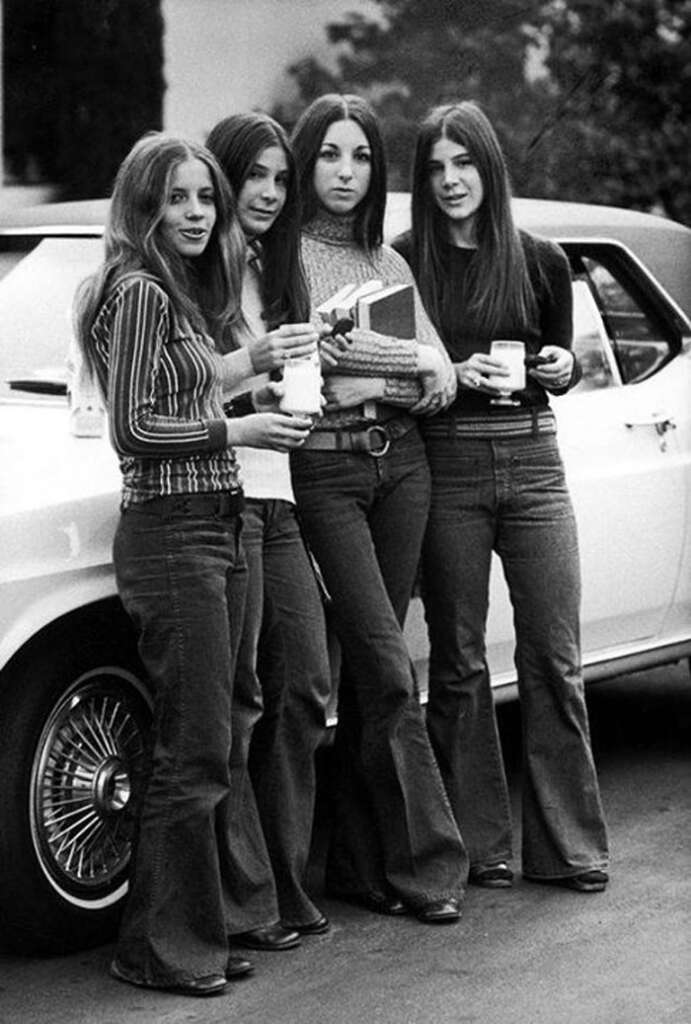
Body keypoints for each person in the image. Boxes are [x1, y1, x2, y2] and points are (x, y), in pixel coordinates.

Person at [74, 132, 314, 996]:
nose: (196, 214)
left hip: (214, 522)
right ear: (143, 206)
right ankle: (159, 950)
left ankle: (191, 936)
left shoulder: (170, 290)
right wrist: (239, 428)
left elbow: (182, 385)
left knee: (207, 743)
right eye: (177, 199)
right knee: (194, 749)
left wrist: (249, 362)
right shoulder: (137, 290)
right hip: (174, 531)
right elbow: (135, 429)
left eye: (204, 199)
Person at [393, 101, 609, 893]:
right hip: (446, 463)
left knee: (553, 655)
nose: (451, 181)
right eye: (436, 169)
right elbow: (392, 375)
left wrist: (560, 368)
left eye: (464, 164)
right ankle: (482, 846)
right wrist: (447, 378)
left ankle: (571, 848)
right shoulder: (402, 260)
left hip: (532, 460)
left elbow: (564, 360)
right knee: (456, 661)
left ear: (490, 168)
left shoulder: (542, 259)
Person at [289, 93, 468, 924]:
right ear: (305, 161)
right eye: (330, 154)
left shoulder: (389, 263)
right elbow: (315, 363)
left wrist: (388, 373)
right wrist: (405, 364)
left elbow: (444, 379)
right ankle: (430, 868)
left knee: (374, 679)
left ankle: (361, 868)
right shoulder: (283, 257)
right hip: (326, 478)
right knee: (390, 668)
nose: (345, 172)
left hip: (404, 470)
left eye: (360, 157)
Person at [205, 111, 332, 935]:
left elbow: (302, 383)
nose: (269, 192)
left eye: (281, 179)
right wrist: (251, 384)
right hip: (223, 492)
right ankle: (244, 899)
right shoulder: (193, 273)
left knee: (307, 686)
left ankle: (282, 879)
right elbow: (168, 393)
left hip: (279, 495)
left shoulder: (279, 274)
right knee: (239, 702)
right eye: (254, 175)